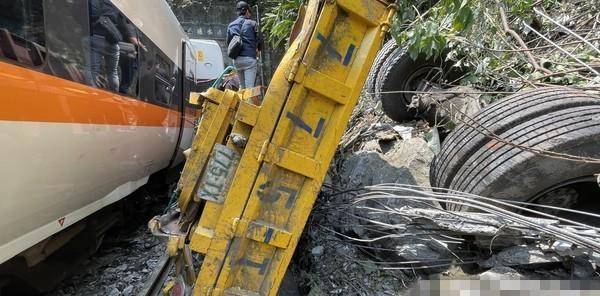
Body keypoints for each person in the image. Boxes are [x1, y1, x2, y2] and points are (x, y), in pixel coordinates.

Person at [87, 0, 142, 92]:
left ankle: (90, 90)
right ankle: (115, 92)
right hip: (113, 42)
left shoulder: (99, 3)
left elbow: (93, 15)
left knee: (93, 69)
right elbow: (124, 26)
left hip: (97, 36)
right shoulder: (119, 8)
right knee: (113, 72)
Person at [227, 1, 263, 89]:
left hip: (237, 61)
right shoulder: (252, 23)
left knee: (242, 87)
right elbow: (260, 40)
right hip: (249, 59)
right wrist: (258, 50)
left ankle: (239, 102)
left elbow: (229, 43)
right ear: (247, 11)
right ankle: (247, 102)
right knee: (249, 89)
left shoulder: (231, 25)